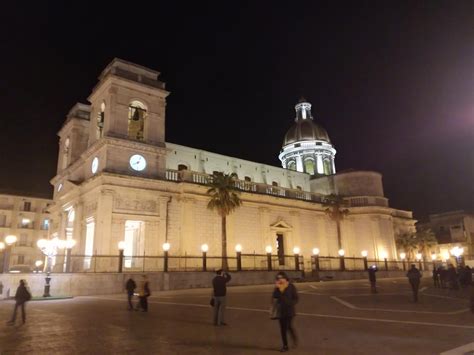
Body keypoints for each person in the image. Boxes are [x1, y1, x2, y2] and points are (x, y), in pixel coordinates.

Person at [272, 272, 298, 352]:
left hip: (289, 311)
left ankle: (294, 338)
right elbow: (274, 297)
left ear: (285, 278)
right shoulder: (277, 288)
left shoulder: (291, 286)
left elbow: (296, 298)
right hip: (281, 311)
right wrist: (277, 288)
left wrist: (291, 303)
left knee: (288, 326)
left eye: (281, 277)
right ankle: (285, 346)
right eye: (278, 278)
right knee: (283, 329)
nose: (280, 279)